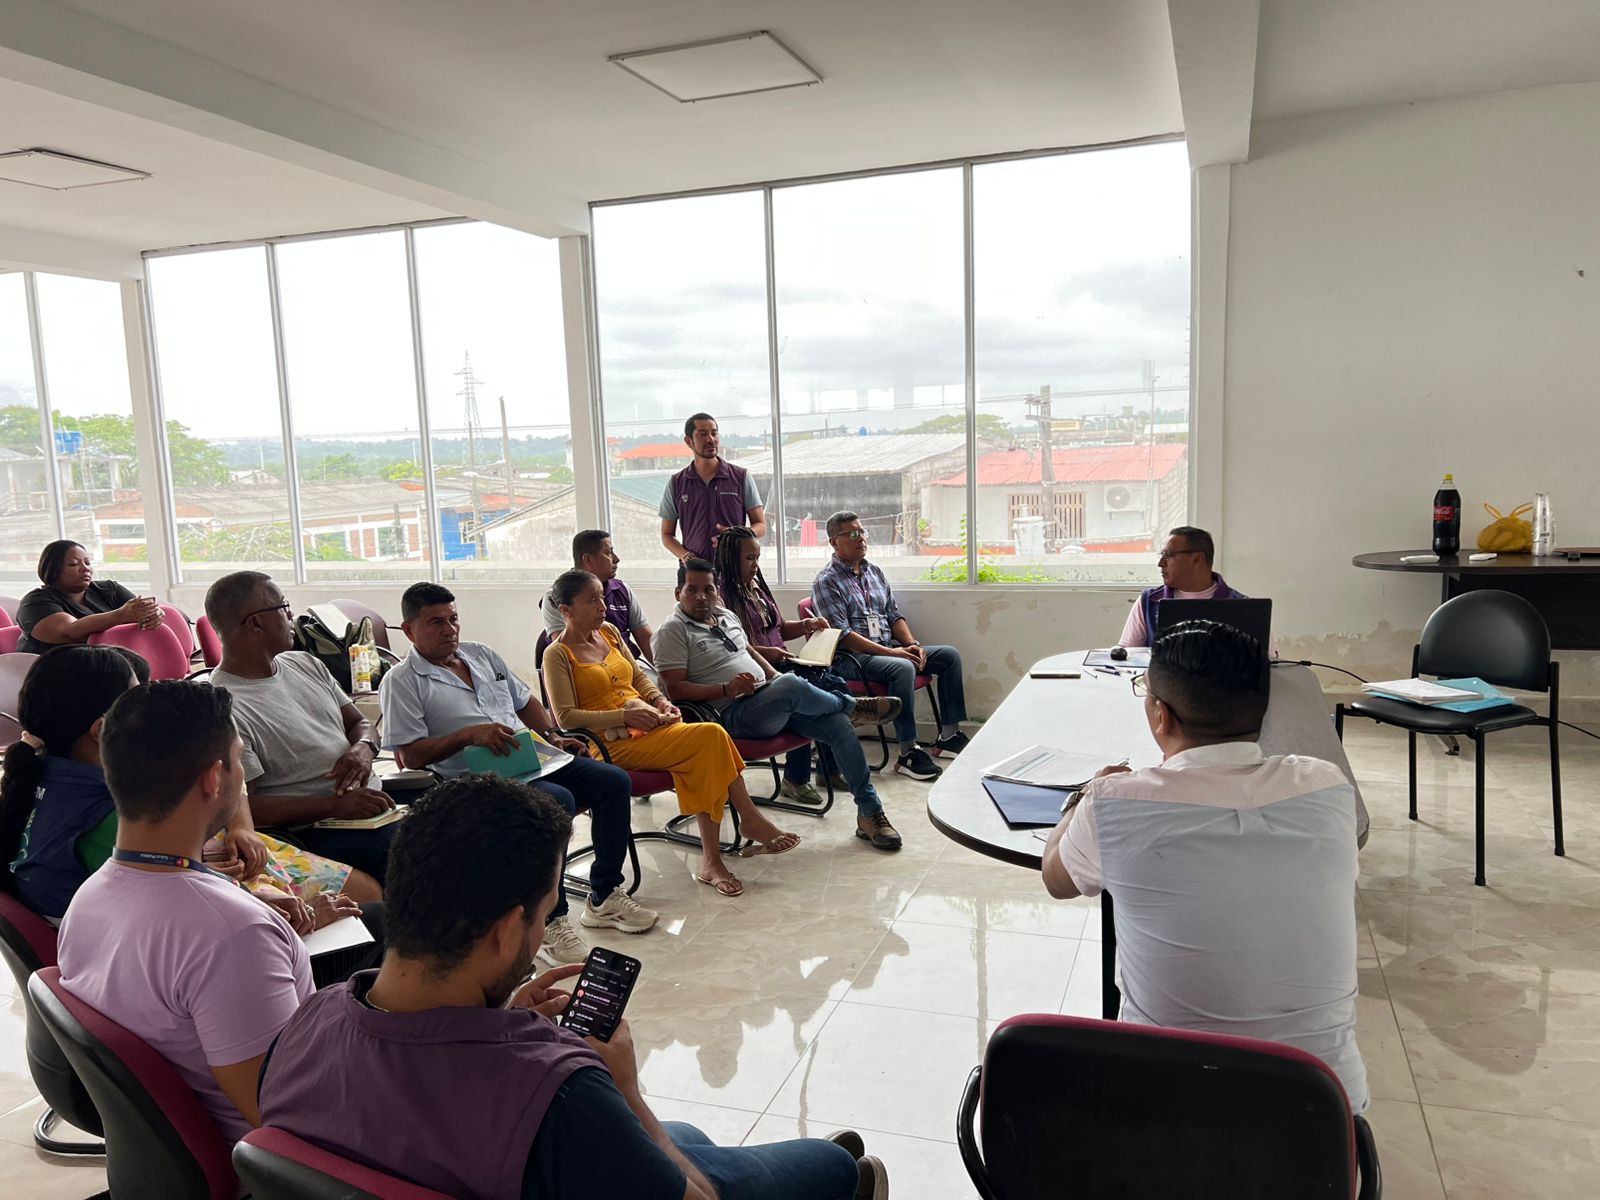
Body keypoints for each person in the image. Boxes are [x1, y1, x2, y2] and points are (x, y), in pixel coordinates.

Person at [258, 776, 886, 1200]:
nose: (543, 932)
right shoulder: (557, 1092)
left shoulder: (307, 1022)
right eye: (546, 913)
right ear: (509, 930)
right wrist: (626, 1092)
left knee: (692, 1140)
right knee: (832, 1165)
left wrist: (496, 1018)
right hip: (581, 1142)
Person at [1041, 620, 1368, 1112]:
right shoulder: (1327, 787)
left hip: (1165, 1116)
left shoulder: (1115, 801)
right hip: (1324, 1120)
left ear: (1160, 715)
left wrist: (1083, 797)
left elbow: (1056, 879)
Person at [56, 682, 379, 1144]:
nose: (242, 775)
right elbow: (291, 1119)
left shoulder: (87, 899)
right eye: (240, 760)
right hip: (274, 1156)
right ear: (213, 779)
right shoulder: (233, 935)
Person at [381, 582, 658, 965]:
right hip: (471, 780)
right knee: (555, 800)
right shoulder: (402, 680)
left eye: (453, 619)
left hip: (530, 758)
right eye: (436, 623)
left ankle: (604, 894)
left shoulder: (480, 655)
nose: (450, 630)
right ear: (409, 630)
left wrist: (552, 735)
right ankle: (548, 920)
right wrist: (467, 735)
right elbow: (409, 756)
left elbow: (525, 702)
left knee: (613, 781)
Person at [0, 645, 378, 921]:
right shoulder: (113, 821)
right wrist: (208, 879)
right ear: (102, 731)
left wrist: (239, 828)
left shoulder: (45, 777)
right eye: (138, 701)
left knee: (366, 892)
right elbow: (188, 911)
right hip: (211, 913)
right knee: (369, 902)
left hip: (207, 877)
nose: (153, 708)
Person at [544, 569, 800, 899]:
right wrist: (625, 715)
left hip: (651, 726)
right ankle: (745, 822)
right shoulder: (557, 654)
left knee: (706, 750)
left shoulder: (609, 632)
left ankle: (715, 859)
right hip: (610, 744)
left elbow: (639, 678)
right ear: (566, 610)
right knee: (711, 737)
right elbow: (565, 717)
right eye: (591, 600)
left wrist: (660, 701)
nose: (602, 606)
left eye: (601, 597)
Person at [657, 557, 906, 852]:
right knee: (794, 686)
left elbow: (748, 651)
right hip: (728, 717)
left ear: (716, 591)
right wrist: (725, 688)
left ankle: (870, 813)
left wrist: (773, 677)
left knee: (836, 722)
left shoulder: (725, 615)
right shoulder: (672, 631)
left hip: (766, 701)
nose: (701, 597)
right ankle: (853, 707)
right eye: (692, 590)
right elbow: (674, 689)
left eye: (708, 589)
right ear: (678, 593)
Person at [206, 572, 399, 888]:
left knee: (463, 814)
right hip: (317, 828)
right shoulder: (224, 705)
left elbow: (360, 724)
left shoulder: (305, 664)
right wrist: (335, 806)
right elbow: (246, 805)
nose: (291, 616)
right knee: (423, 847)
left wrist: (363, 748)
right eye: (283, 607)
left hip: (373, 806)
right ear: (255, 623)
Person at [810, 511, 969, 782]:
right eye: (852, 534)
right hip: (850, 660)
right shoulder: (826, 581)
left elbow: (893, 616)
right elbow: (843, 636)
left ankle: (949, 737)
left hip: (886, 651)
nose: (861, 538)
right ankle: (908, 752)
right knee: (902, 667)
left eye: (862, 531)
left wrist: (912, 645)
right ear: (834, 542)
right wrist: (894, 653)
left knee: (948, 656)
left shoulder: (874, 572)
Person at [713, 525, 868, 802]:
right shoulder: (720, 598)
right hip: (758, 673)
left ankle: (828, 768)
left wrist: (808, 624)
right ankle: (797, 778)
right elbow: (734, 648)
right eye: (749, 558)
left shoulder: (755, 587)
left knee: (831, 681)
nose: (755, 565)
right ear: (731, 558)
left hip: (781, 664)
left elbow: (780, 629)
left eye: (758, 558)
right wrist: (769, 653)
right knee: (810, 693)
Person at [540, 528, 658, 680]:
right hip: (590, 675)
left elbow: (646, 639)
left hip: (628, 667)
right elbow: (570, 654)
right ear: (588, 560)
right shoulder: (557, 597)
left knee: (659, 686)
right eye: (609, 553)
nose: (616, 559)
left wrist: (668, 674)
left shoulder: (621, 590)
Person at [13, 540, 163, 655]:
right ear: (52, 570)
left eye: (87, 562)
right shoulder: (35, 602)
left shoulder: (109, 589)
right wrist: (120, 615)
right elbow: (69, 631)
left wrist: (153, 614)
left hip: (112, 662)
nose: (85, 568)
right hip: (57, 669)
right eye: (73, 564)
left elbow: (141, 610)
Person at [1118, 526, 1253, 649]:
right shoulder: (1149, 602)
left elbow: (1260, 660)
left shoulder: (1244, 607)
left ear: (1197, 559)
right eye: (1162, 555)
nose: (1161, 563)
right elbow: (1127, 656)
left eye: (1168, 555)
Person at [659, 413, 766, 562]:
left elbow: (761, 525)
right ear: (689, 441)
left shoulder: (741, 477)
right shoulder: (676, 483)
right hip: (695, 571)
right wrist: (685, 556)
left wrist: (739, 536)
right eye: (703, 434)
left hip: (734, 567)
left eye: (714, 433)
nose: (711, 439)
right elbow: (666, 534)